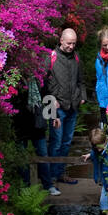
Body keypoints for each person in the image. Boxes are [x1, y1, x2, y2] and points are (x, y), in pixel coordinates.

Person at [37, 27, 85, 196]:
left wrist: (82, 96)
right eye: (69, 43)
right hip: (54, 107)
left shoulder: (76, 58)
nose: (71, 46)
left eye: (74, 43)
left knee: (66, 142)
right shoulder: (50, 58)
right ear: (61, 41)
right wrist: (52, 100)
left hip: (73, 106)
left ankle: (60, 173)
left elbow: (81, 81)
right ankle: (50, 178)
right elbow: (41, 85)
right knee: (55, 142)